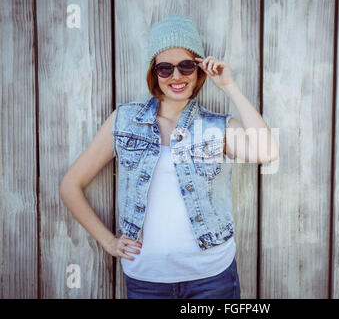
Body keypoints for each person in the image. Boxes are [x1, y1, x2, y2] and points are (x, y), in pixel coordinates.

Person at [59, 15, 279, 299]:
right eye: (165, 68)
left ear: (199, 69)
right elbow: (70, 185)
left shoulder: (216, 127)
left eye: (186, 65)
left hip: (211, 279)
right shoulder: (124, 121)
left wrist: (228, 86)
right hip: (146, 280)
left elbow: (267, 151)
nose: (177, 76)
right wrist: (109, 242)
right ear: (154, 73)